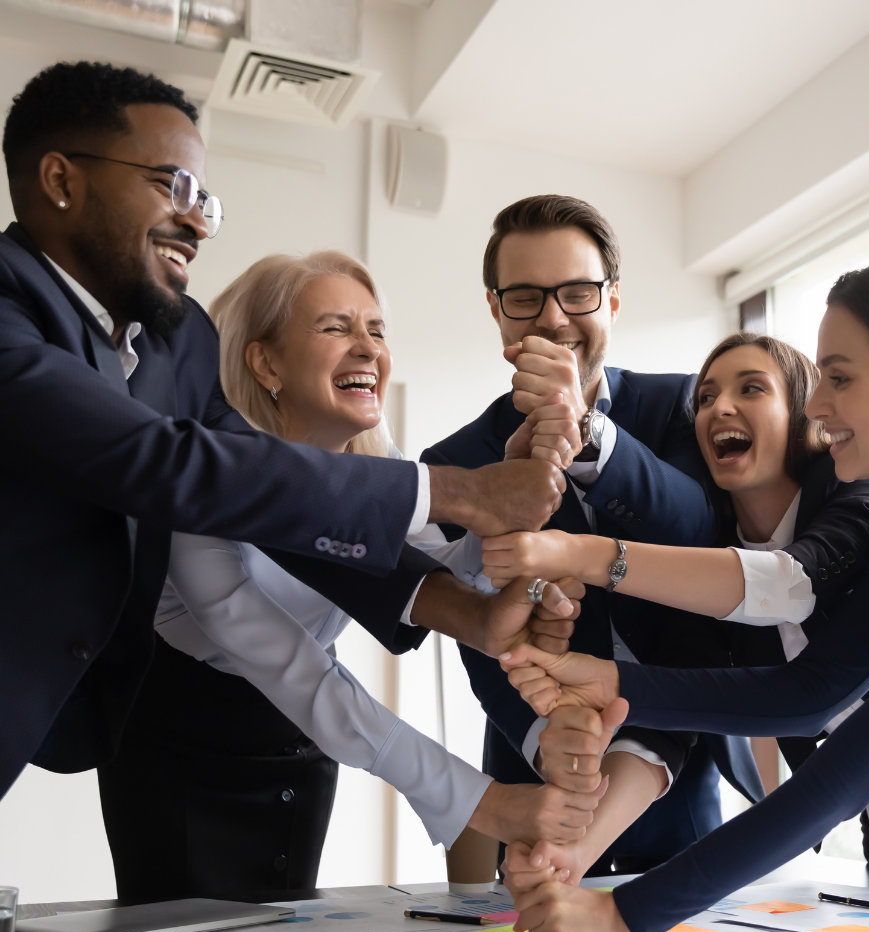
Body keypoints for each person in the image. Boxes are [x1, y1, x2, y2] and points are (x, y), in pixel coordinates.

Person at [0, 61, 566, 808]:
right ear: (61, 180)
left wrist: (469, 608)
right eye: (171, 185)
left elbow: (269, 503)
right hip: (161, 740)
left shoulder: (173, 341)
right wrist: (463, 492)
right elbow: (175, 469)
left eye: (204, 198)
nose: (197, 220)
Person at [500, 250, 869, 932]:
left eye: (838, 377)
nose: (819, 404)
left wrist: (626, 915)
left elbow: (841, 776)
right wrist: (613, 681)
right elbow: (811, 693)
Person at [98, 251, 606, 900]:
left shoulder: (377, 467)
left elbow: (448, 573)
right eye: (336, 328)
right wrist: (482, 802)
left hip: (303, 744)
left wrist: (514, 551)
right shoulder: (205, 482)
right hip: (182, 749)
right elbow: (289, 665)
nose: (367, 348)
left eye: (377, 330)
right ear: (267, 362)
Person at [421, 194, 760, 876]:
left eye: (577, 292)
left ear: (612, 300)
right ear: (497, 312)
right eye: (525, 297)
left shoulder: (683, 405)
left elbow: (701, 531)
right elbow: (477, 631)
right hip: (534, 775)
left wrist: (586, 434)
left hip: (678, 787)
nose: (552, 316)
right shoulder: (454, 463)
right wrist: (551, 744)